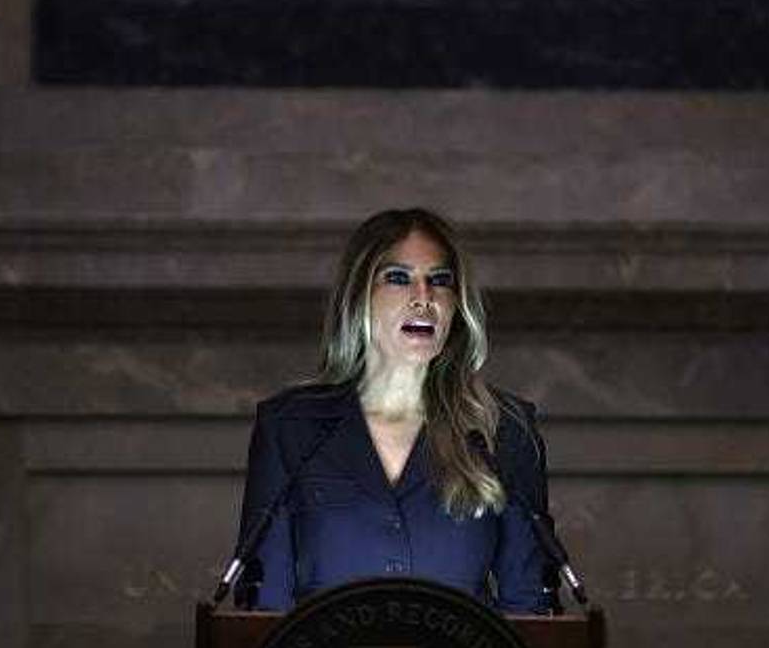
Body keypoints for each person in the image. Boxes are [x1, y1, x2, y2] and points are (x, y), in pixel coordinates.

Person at [233, 208, 554, 614]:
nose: (423, 298)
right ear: (359, 296)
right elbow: (264, 605)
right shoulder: (290, 426)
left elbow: (530, 607)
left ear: (457, 305)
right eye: (398, 278)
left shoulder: (503, 427)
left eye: (440, 281)